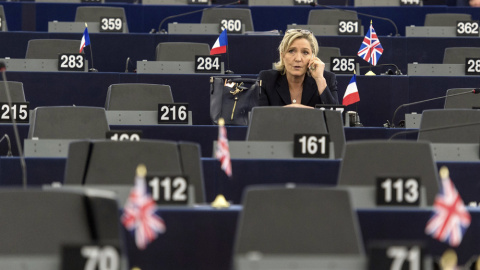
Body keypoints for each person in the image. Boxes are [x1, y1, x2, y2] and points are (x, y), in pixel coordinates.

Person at [258, 29, 339, 108]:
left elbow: (334, 118)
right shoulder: (267, 79)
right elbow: (260, 117)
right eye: (291, 51)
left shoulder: (326, 79)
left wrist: (319, 79)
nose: (298, 59)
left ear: (313, 57)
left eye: (305, 52)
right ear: (282, 55)